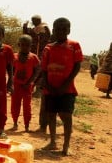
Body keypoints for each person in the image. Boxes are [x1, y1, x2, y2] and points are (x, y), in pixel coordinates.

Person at [39, 17, 82, 155]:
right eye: (58, 29)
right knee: (51, 115)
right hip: (50, 89)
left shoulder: (74, 46)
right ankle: (52, 142)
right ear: (53, 30)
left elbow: (77, 66)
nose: (61, 32)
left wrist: (66, 84)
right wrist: (47, 85)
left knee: (66, 116)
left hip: (67, 89)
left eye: (64, 29)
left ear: (69, 30)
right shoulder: (48, 48)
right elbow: (44, 69)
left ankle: (66, 145)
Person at [11, 34, 41, 132]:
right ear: (19, 45)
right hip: (16, 85)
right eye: (23, 45)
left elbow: (37, 70)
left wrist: (30, 82)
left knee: (27, 106)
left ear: (31, 45)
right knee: (15, 105)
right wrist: (11, 82)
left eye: (27, 45)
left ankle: (27, 125)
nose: (25, 47)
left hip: (27, 86)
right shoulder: (14, 56)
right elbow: (11, 70)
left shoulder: (33, 57)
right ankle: (15, 123)